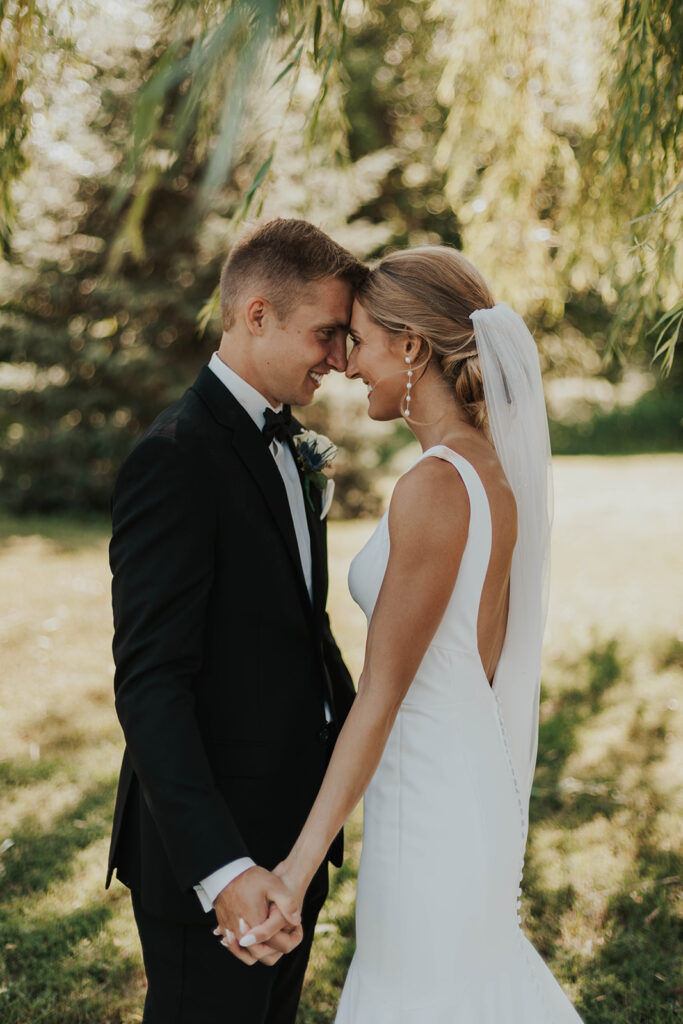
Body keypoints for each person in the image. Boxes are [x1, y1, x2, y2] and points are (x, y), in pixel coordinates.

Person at [241, 246, 586, 1021]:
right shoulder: (483, 470)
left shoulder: (434, 486)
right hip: (460, 780)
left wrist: (294, 872)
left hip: (429, 800)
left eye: (358, 340)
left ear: (410, 347)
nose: (348, 362)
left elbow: (383, 694)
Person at [106, 217, 368, 1024]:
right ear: (257, 315)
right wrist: (223, 870)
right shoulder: (175, 458)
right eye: (326, 333)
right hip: (218, 854)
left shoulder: (286, 443)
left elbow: (295, 624)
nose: (338, 356)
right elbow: (151, 685)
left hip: (294, 838)